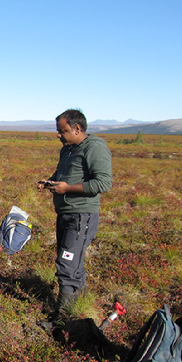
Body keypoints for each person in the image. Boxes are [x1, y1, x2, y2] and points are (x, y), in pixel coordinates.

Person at [38, 109, 112, 321]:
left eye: (63, 131)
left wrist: (67, 189)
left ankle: (62, 318)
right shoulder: (68, 149)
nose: (58, 135)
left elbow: (104, 183)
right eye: (58, 131)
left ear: (77, 129)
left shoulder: (95, 148)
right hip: (65, 214)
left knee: (67, 264)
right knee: (73, 262)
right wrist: (50, 182)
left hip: (82, 216)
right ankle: (80, 306)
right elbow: (63, 175)